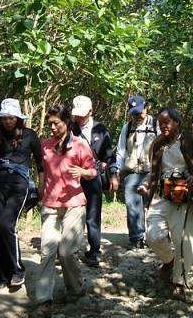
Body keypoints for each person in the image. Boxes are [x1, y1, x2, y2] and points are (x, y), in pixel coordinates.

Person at [139, 107, 193, 301]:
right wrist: (145, 185)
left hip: (186, 198)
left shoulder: (192, 142)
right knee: (153, 236)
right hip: (161, 196)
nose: (163, 126)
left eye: (167, 122)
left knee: (183, 242)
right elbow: (153, 173)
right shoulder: (157, 144)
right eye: (160, 123)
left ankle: (179, 283)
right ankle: (169, 261)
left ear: (177, 122)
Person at [34, 104, 97, 315]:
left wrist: (83, 172)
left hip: (74, 204)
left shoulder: (80, 145)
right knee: (47, 252)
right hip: (50, 205)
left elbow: (93, 172)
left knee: (67, 252)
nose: (52, 127)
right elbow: (42, 170)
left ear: (67, 123)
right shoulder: (45, 145)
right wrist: (40, 187)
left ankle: (76, 289)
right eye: (50, 124)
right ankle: (44, 300)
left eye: (56, 123)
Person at [0, 98, 43, 289]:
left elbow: (40, 163)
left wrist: (41, 187)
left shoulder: (30, 135)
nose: (8, 121)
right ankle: (4, 276)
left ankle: (17, 271)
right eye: (5, 118)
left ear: (18, 118)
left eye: (11, 118)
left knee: (7, 225)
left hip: (19, 186)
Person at [71, 95, 114, 267]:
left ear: (90, 111)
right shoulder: (70, 128)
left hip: (93, 176)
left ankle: (94, 251)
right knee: (71, 214)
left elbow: (109, 155)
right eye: (77, 115)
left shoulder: (100, 129)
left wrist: (110, 172)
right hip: (73, 176)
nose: (79, 118)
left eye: (82, 114)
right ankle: (69, 250)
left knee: (92, 215)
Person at [108, 95, 157, 248]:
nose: (138, 116)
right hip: (131, 171)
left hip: (152, 171)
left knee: (153, 205)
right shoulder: (127, 127)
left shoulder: (156, 124)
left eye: (140, 112)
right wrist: (117, 172)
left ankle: (155, 237)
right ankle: (137, 237)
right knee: (132, 204)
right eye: (134, 113)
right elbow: (121, 150)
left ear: (146, 108)